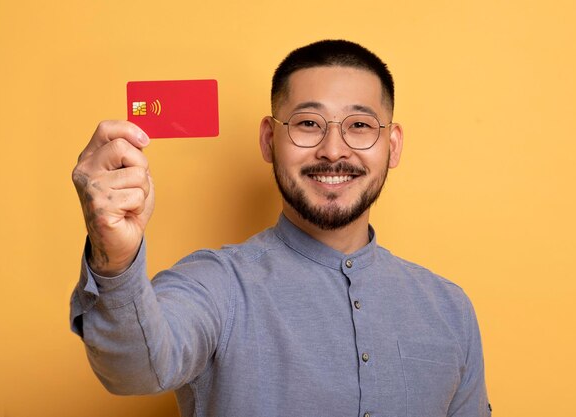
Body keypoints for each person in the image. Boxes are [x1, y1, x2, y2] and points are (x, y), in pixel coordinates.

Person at [70, 39, 491, 417]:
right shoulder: (216, 287)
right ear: (270, 139)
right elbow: (134, 370)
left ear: (392, 145)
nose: (332, 151)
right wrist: (116, 258)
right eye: (309, 123)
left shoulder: (450, 309)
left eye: (359, 126)